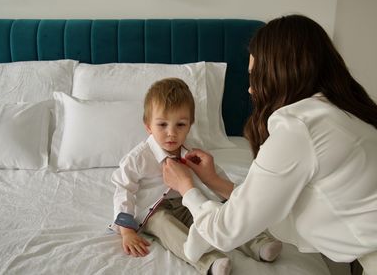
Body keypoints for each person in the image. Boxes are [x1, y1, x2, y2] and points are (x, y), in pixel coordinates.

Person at [162, 14, 377, 275]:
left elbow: (225, 231)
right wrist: (215, 181)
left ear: (279, 74)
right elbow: (269, 200)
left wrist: (187, 189)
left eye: (255, 76)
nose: (250, 90)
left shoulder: (298, 128)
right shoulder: (344, 110)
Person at [110, 77, 283, 275]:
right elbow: (124, 189)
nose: (171, 133)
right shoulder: (137, 158)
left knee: (212, 213)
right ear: (148, 126)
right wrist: (127, 230)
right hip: (154, 209)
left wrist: (222, 200)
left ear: (191, 124)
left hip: (184, 202)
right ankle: (210, 261)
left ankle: (257, 243)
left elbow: (215, 177)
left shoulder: (192, 152)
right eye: (162, 125)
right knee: (166, 226)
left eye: (180, 125)